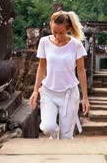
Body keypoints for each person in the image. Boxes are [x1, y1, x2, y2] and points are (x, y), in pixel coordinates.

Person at [29, 11, 90, 139]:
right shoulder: (44, 42)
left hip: (69, 94)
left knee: (66, 137)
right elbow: (42, 66)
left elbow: (81, 70)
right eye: (54, 32)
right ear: (51, 26)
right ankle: (56, 136)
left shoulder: (76, 45)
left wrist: (85, 97)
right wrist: (35, 90)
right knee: (48, 127)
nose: (57, 35)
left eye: (61, 33)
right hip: (48, 92)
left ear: (68, 29)